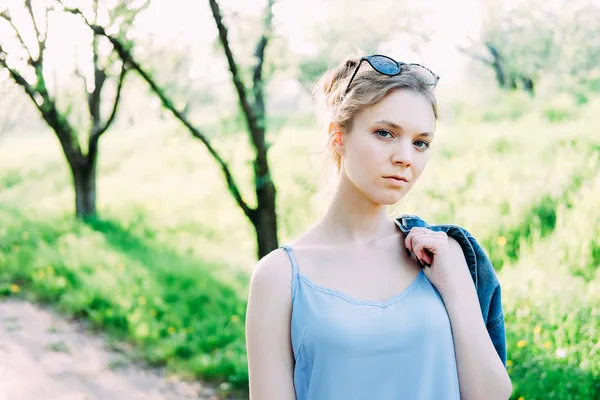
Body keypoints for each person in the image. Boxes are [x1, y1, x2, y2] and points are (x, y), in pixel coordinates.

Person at [245, 54, 512, 400]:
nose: (406, 157)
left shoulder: (444, 255)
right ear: (338, 137)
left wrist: (456, 285)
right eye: (385, 133)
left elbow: (491, 394)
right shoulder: (279, 276)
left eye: (421, 143)